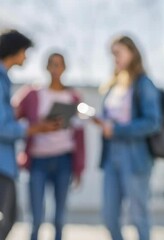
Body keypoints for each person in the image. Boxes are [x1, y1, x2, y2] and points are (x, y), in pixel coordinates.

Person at [94, 35, 162, 240]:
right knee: (109, 216)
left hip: (134, 157)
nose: (114, 58)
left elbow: (152, 122)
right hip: (110, 157)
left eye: (118, 53)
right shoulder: (113, 86)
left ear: (132, 53)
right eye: (112, 54)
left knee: (138, 216)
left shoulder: (143, 84)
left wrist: (117, 130)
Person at [13, 52, 86, 240]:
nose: (55, 69)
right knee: (36, 218)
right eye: (52, 64)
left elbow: (80, 133)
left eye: (59, 64)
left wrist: (79, 168)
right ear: (46, 67)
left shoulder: (74, 97)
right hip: (38, 159)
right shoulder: (32, 93)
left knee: (59, 218)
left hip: (63, 159)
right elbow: (10, 118)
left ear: (64, 68)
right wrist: (37, 127)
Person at [0, 30, 62, 240]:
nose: (26, 57)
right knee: (7, 218)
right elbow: (2, 127)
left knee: (9, 216)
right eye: (24, 51)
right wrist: (36, 128)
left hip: (6, 164)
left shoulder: (4, 80)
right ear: (14, 50)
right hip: (2, 165)